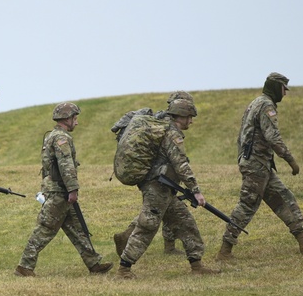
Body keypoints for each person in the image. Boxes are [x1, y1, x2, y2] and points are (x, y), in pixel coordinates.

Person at [216, 72, 303, 261]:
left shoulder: (255, 102)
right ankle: (225, 250)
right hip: (256, 165)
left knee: (284, 198)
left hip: (259, 164)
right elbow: (272, 136)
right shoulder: (266, 105)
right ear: (276, 87)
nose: (285, 94)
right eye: (284, 89)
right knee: (247, 205)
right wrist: (290, 159)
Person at [117, 98, 220, 278]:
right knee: (148, 226)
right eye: (189, 117)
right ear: (181, 116)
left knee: (186, 224)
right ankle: (124, 269)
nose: (191, 121)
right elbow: (181, 164)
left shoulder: (162, 126)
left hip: (165, 188)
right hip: (157, 187)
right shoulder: (172, 133)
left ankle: (197, 266)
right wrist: (196, 191)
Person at [15, 103, 113, 277]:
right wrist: (72, 189)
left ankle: (94, 263)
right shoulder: (62, 138)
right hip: (60, 192)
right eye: (75, 119)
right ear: (67, 119)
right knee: (45, 229)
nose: (76, 123)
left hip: (56, 190)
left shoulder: (51, 136)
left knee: (78, 229)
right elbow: (65, 164)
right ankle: (24, 266)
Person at [111, 91, 194, 258]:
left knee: (160, 208)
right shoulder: (166, 124)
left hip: (152, 174)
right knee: (156, 210)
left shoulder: (157, 120)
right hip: (158, 176)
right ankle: (133, 252)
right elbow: (176, 158)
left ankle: (132, 236)